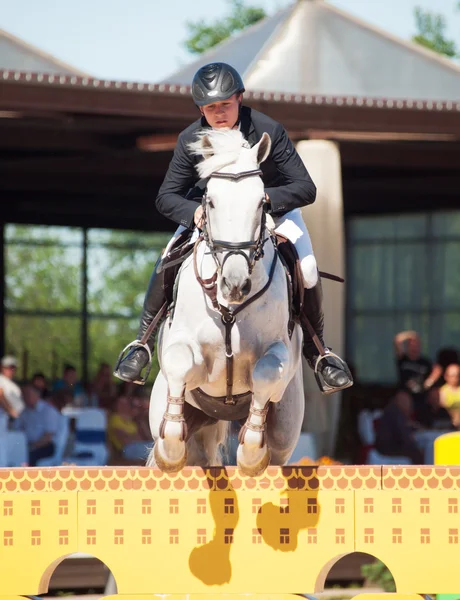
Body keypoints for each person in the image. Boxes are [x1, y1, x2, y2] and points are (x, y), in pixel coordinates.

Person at [114, 62, 352, 395]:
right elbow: (166, 196)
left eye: (225, 104)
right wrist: (195, 213)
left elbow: (305, 187)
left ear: (240, 98)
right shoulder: (190, 139)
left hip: (271, 211)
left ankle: (319, 354)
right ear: (200, 109)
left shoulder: (268, 129)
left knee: (308, 268)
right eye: (210, 107)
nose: (219, 113)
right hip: (214, 217)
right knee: (167, 257)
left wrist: (264, 199)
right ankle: (142, 344)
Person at [14, 384, 60, 466]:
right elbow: (16, 430)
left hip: (46, 446)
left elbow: (48, 437)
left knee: (30, 456)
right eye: (23, 395)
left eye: (28, 394)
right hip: (27, 445)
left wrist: (32, 446)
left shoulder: (48, 411)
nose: (25, 397)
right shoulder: (24, 412)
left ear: (37, 395)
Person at [374, 389, 423, 464]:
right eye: (407, 402)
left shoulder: (394, 411)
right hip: (387, 447)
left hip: (388, 444)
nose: (409, 405)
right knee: (416, 453)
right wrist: (412, 441)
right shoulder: (395, 412)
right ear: (399, 401)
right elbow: (402, 434)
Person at [108, 396, 150, 463]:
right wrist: (133, 436)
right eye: (121, 403)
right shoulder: (115, 418)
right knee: (154, 450)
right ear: (116, 405)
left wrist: (141, 420)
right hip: (127, 449)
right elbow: (124, 440)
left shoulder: (131, 420)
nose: (124, 405)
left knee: (156, 446)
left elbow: (142, 438)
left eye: (126, 403)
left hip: (138, 446)